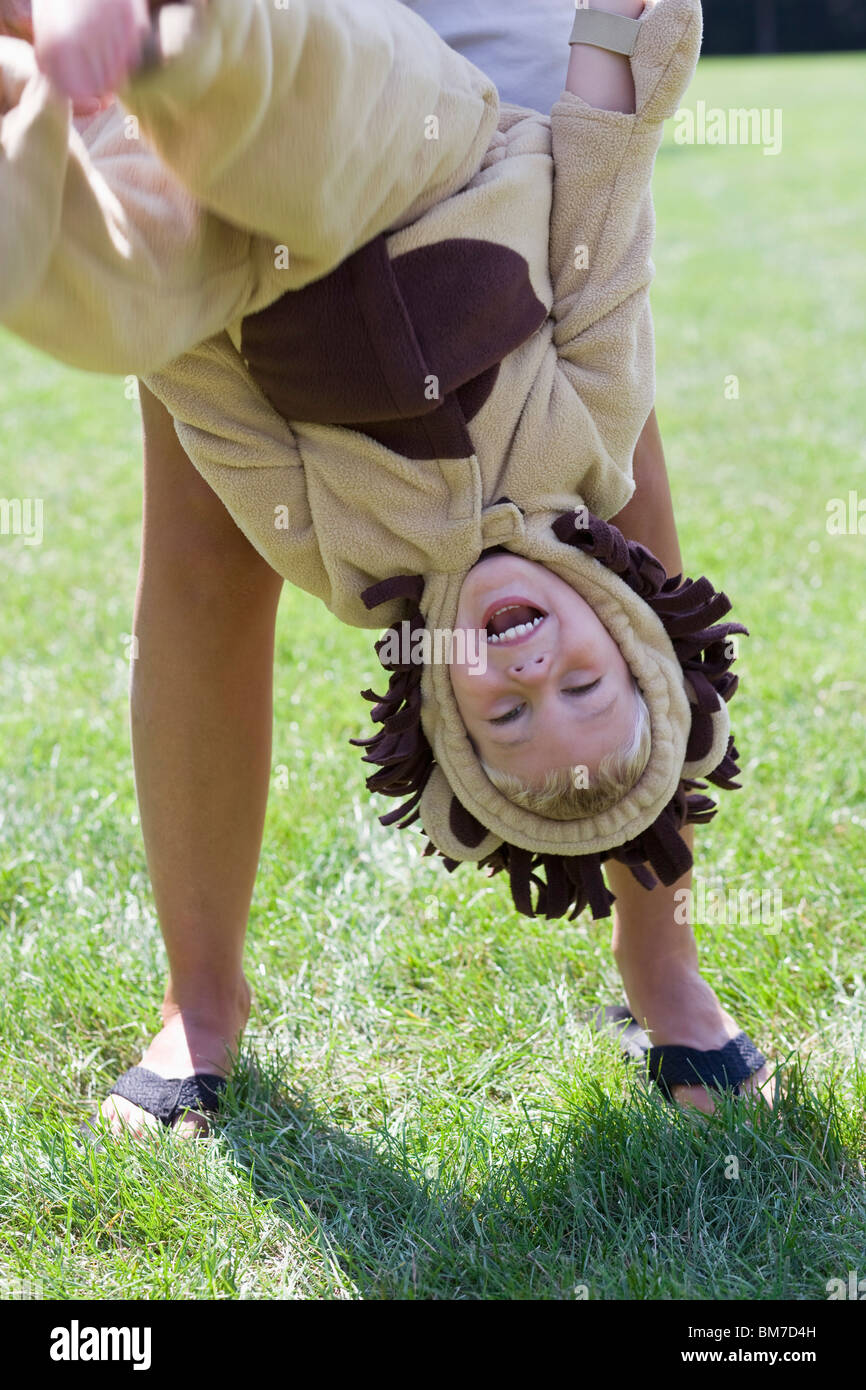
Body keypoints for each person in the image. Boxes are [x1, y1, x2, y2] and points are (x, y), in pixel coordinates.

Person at [0, 0, 772, 1134]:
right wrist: (620, 37)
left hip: (255, 284)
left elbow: (225, 421)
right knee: (308, 149)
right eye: (578, 682)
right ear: (624, 632)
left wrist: (160, 304)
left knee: (120, 311)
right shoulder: (580, 432)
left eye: (505, 716)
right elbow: (597, 233)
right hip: (415, 146)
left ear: (446, 715)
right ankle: (161, 27)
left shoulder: (355, 563)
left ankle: (28, 130)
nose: (526, 669)